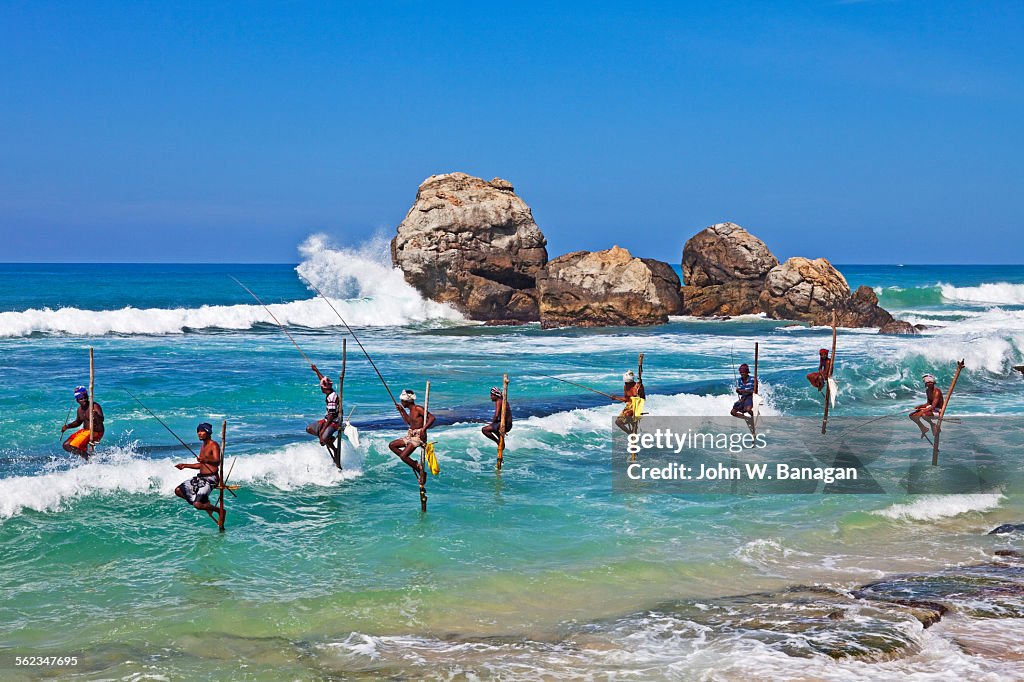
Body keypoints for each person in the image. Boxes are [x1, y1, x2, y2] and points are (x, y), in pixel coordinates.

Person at [174, 422, 225, 527]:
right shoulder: (203, 445)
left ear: (207, 432)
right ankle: (205, 504)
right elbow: (201, 465)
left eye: (201, 431)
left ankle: (219, 511)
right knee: (178, 491)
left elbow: (217, 461)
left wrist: (205, 459)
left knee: (197, 505)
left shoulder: (213, 444)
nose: (199, 433)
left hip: (211, 479)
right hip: (201, 478)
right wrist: (185, 465)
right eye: (198, 431)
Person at [389, 389, 436, 484]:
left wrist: (424, 429)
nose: (401, 403)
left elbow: (432, 418)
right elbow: (409, 422)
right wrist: (402, 411)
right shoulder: (410, 411)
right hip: (411, 435)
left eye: (402, 401)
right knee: (392, 445)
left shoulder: (418, 408)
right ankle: (413, 464)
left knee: (403, 456)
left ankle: (419, 469)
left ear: (406, 401)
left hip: (418, 437)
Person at [61, 386, 104, 458]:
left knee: (71, 445)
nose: (84, 400)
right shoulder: (79, 410)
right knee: (66, 445)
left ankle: (87, 458)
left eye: (85, 397)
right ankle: (86, 456)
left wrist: (95, 415)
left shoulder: (94, 406)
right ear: (77, 400)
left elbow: (101, 420)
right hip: (85, 431)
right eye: (81, 399)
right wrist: (67, 426)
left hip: (96, 432)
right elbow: (78, 422)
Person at [305, 374, 340, 462]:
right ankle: (329, 439)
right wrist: (316, 370)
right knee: (309, 429)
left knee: (323, 438)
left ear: (324, 388)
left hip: (334, 422)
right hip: (327, 419)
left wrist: (323, 430)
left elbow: (331, 416)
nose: (320, 388)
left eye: (321, 387)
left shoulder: (332, 398)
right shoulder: (330, 391)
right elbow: (323, 380)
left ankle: (334, 449)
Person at [910, 374, 944, 439]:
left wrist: (922, 411)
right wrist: (920, 406)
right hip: (931, 409)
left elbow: (933, 406)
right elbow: (928, 403)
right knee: (912, 415)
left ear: (933, 382)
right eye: (928, 382)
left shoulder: (937, 391)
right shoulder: (928, 391)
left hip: (938, 411)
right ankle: (923, 428)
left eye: (931, 382)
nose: (929, 383)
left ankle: (932, 424)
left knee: (923, 414)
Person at [614, 370, 646, 434]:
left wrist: (640, 388)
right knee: (618, 422)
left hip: (636, 407)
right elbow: (626, 399)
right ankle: (630, 433)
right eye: (626, 383)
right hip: (628, 406)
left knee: (625, 419)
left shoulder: (638, 386)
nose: (626, 384)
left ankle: (633, 428)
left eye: (628, 383)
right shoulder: (625, 386)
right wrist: (616, 398)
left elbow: (643, 398)